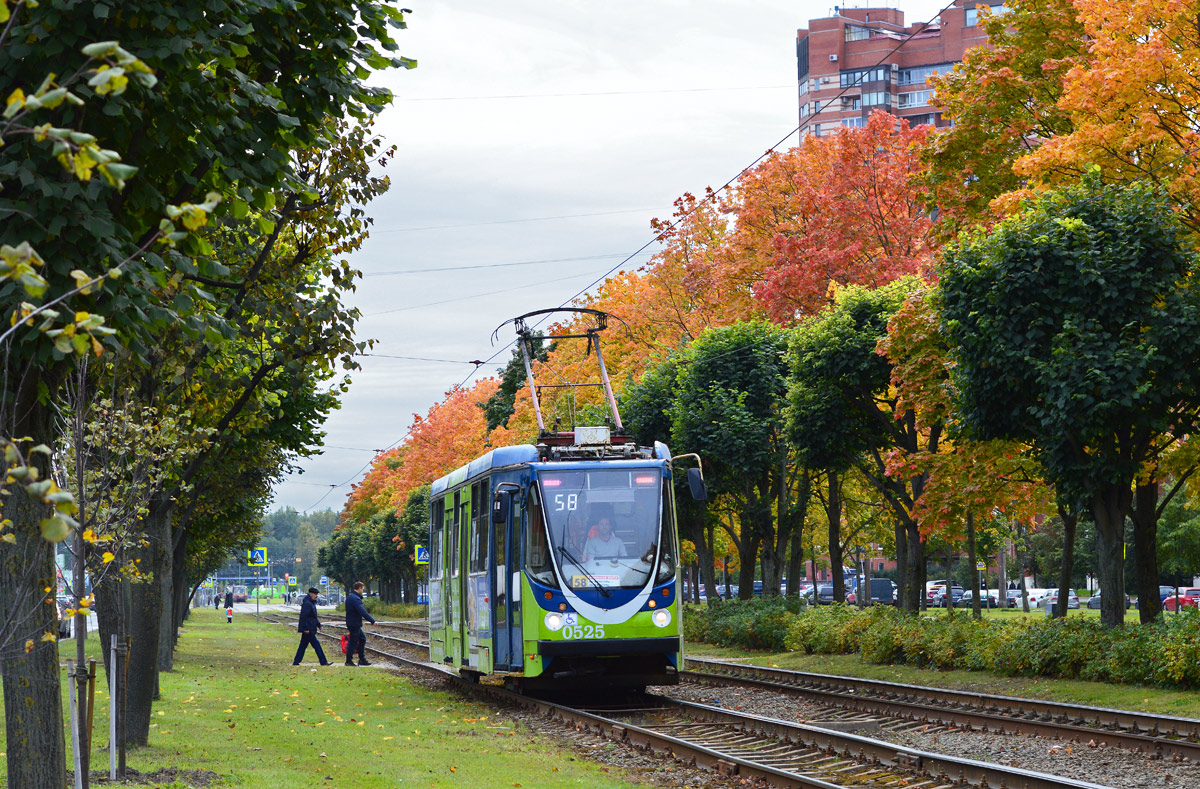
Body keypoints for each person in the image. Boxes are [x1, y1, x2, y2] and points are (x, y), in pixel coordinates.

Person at [293, 587, 331, 666]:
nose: (316, 596)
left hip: (310, 627)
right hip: (308, 629)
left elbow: (313, 617)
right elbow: (304, 617)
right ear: (311, 594)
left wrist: (319, 625)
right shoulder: (307, 604)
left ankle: (296, 662)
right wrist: (305, 628)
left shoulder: (311, 603)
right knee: (317, 646)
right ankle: (323, 661)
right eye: (315, 594)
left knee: (302, 646)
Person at [344, 581, 375, 666]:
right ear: (360, 588)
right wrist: (372, 621)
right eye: (362, 589)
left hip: (352, 623)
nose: (363, 591)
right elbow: (362, 611)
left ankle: (361, 659)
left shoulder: (351, 597)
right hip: (354, 624)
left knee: (362, 639)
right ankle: (348, 661)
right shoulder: (355, 599)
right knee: (353, 642)